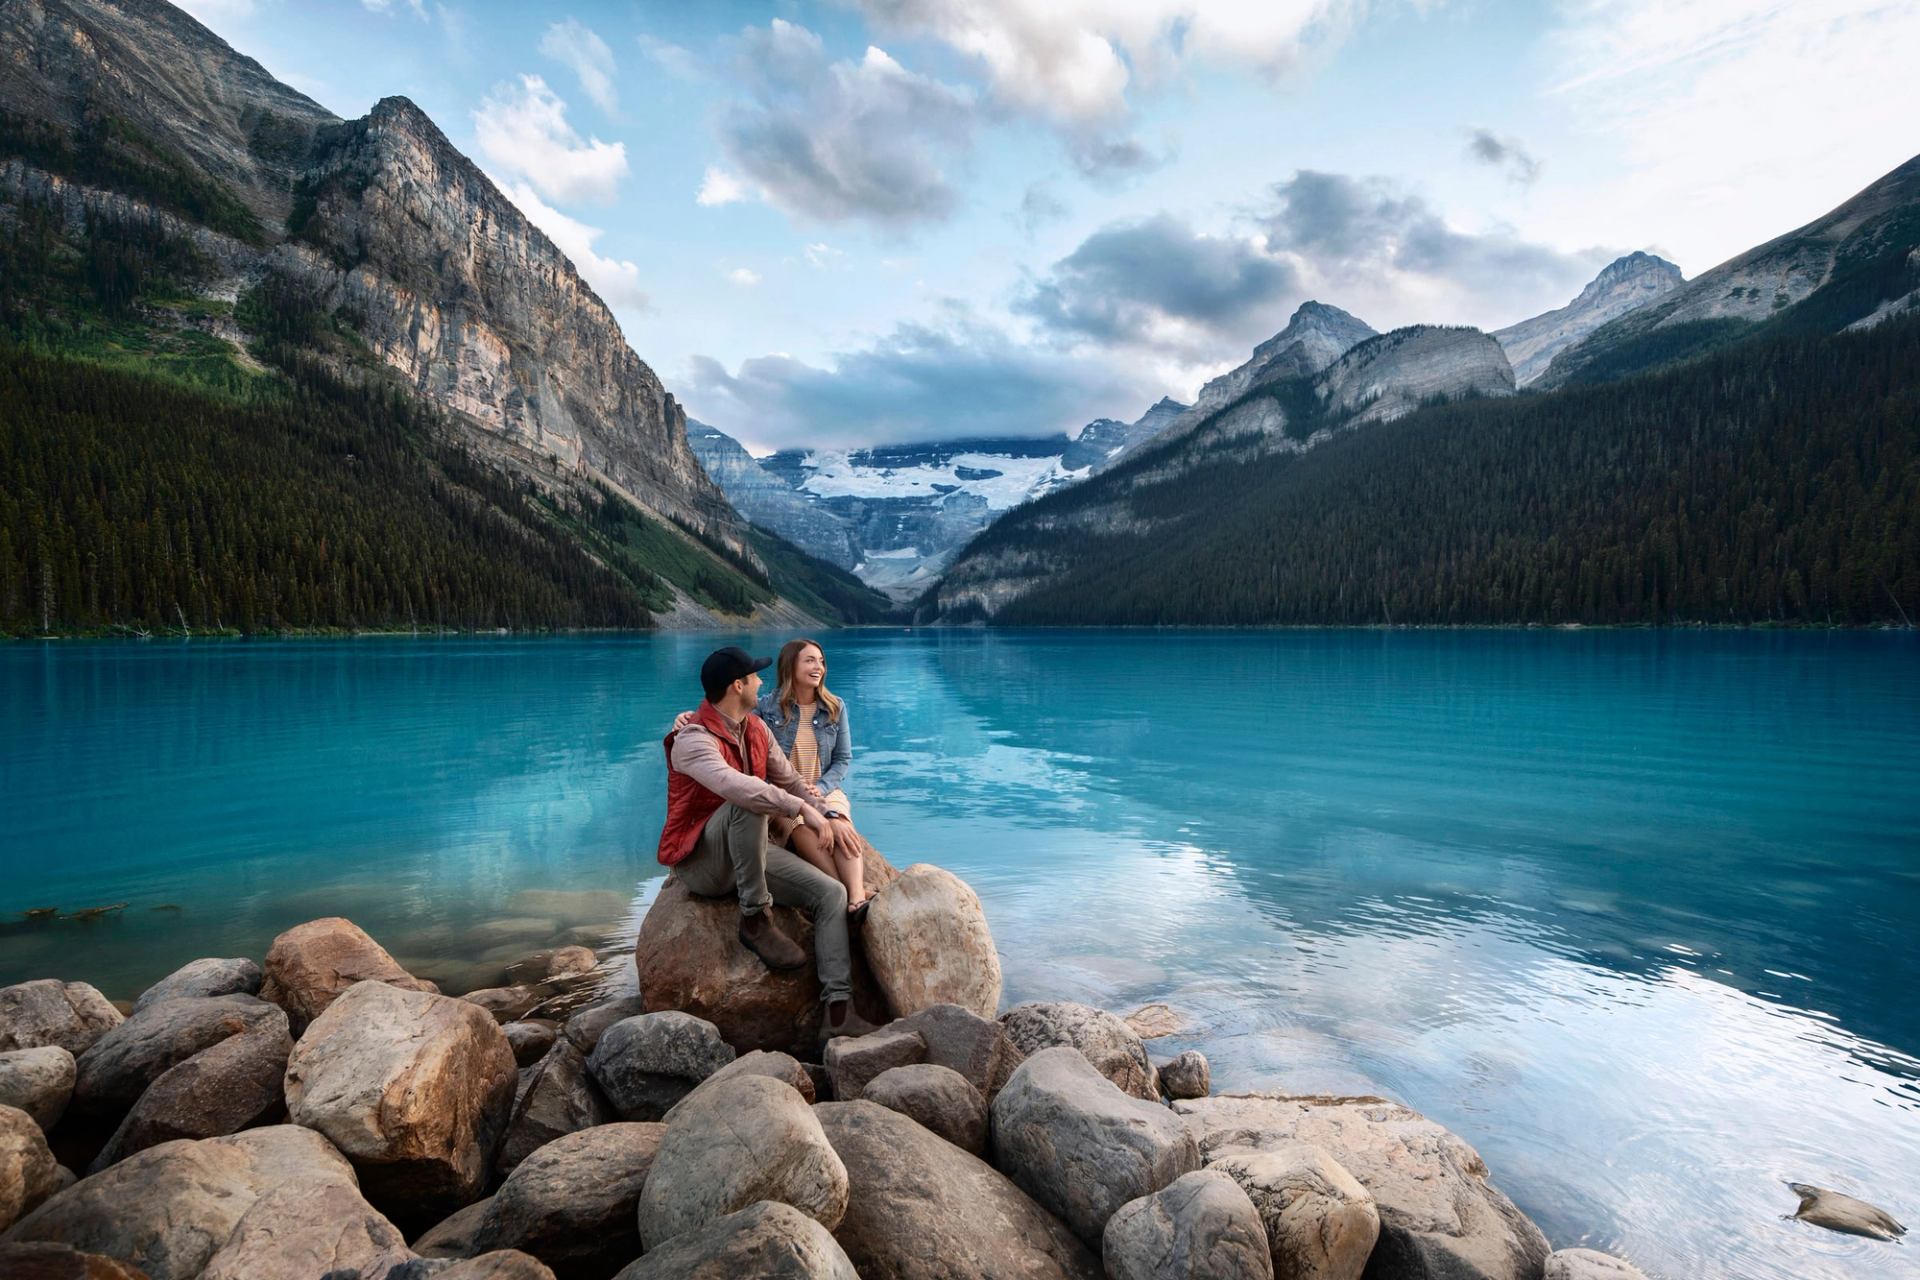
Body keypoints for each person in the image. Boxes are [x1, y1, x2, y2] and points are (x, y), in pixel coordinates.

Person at [656, 645, 874, 1037]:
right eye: (755, 676)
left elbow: (790, 780)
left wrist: (827, 812)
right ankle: (755, 919)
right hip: (703, 864)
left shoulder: (756, 730)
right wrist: (800, 811)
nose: (761, 682)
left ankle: (839, 1012)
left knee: (832, 895)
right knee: (749, 798)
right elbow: (736, 787)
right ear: (737, 685)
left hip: (750, 853)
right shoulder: (691, 740)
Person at [758, 638, 872, 918]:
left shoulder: (835, 707)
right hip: (785, 792)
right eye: (809, 660)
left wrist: (820, 788)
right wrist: (688, 718)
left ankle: (856, 898)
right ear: (790, 666)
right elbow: (728, 718)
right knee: (800, 826)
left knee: (841, 824)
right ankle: (843, 894)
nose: (818, 666)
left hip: (824, 787)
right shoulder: (765, 709)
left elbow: (843, 760)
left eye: (821, 661)